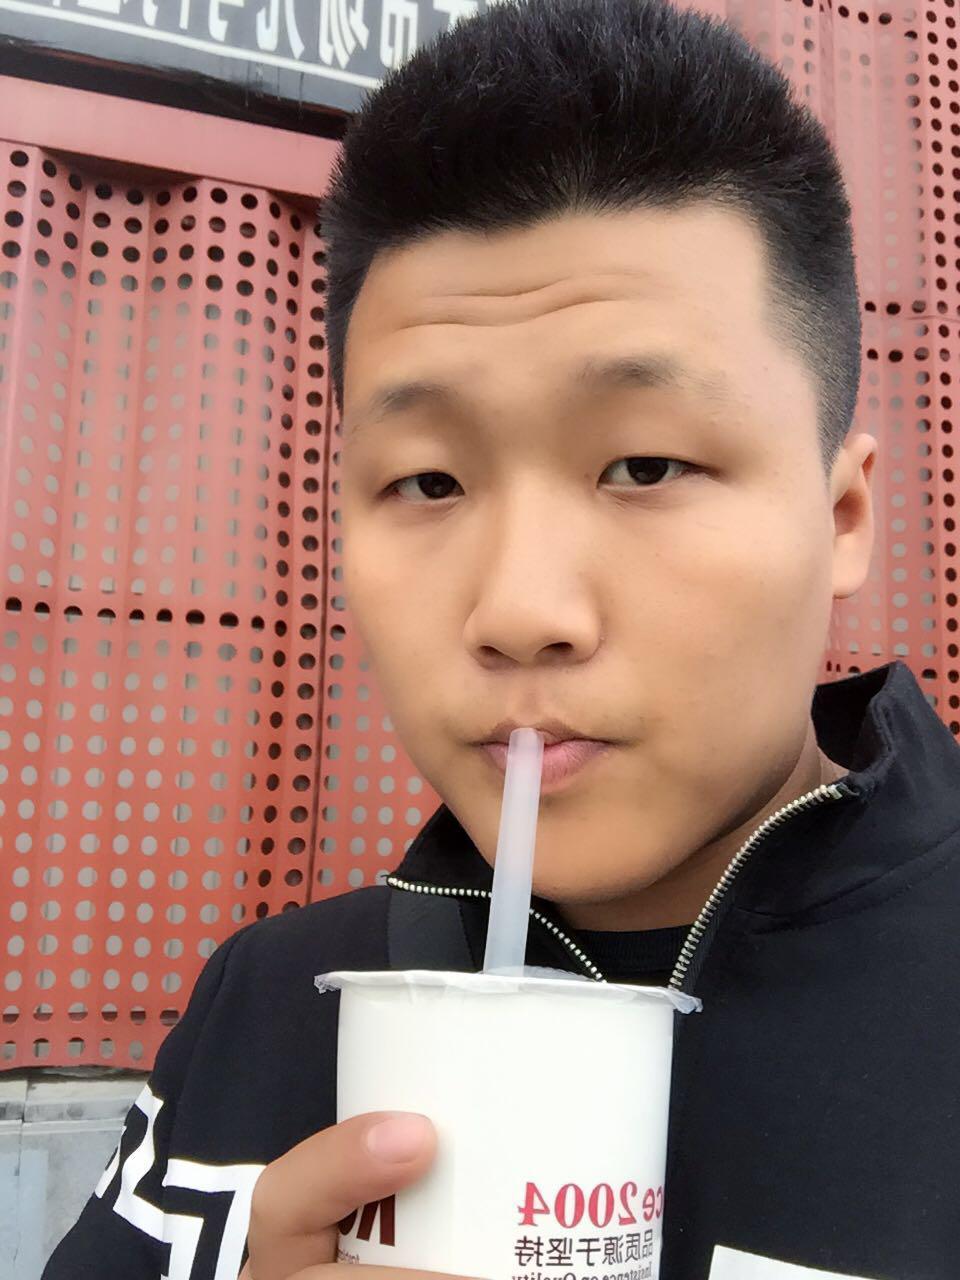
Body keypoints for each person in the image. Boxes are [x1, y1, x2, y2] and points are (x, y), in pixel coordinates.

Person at [43, 1, 960, 1278]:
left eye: (646, 463)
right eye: (427, 481)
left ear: (843, 514)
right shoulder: (266, 1001)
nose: (521, 610)